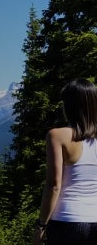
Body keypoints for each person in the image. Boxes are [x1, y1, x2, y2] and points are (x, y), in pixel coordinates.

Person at [34, 78, 97, 245]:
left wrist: (41, 225)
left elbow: (54, 185)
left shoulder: (58, 135)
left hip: (67, 221)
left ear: (69, 106)